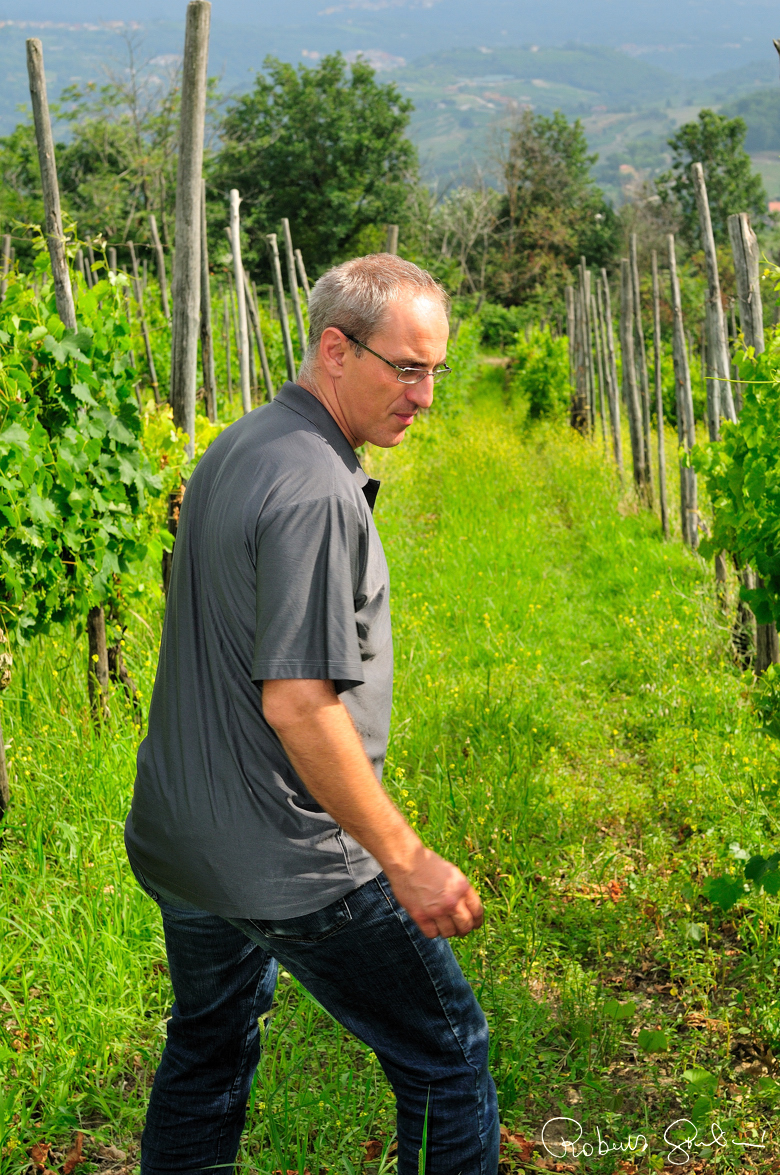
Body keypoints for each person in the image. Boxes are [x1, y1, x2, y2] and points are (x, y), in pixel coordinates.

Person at [125, 253, 499, 1174]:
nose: (424, 396)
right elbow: (298, 703)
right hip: (290, 856)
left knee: (207, 1046)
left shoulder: (239, 444)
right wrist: (406, 859)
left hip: (184, 840)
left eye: (435, 371)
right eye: (405, 368)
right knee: (449, 1058)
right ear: (336, 349)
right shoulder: (317, 489)